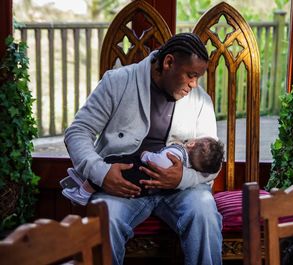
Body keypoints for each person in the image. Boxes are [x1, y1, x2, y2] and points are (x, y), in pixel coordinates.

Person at [64, 32, 223, 265]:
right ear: (168, 62)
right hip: (123, 186)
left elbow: (213, 164)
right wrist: (102, 172)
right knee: (106, 220)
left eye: (198, 77)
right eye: (191, 75)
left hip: (181, 191)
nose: (194, 84)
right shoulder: (117, 82)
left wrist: (181, 178)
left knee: (205, 212)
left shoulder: (201, 101)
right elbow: (77, 132)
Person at [62, 136, 224, 206]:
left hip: (143, 173)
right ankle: (85, 178)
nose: (193, 83)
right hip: (148, 185)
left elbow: (157, 161)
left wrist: (147, 155)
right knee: (109, 172)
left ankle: (83, 193)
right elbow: (212, 166)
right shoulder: (189, 160)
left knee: (112, 163)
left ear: (191, 144)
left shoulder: (176, 154)